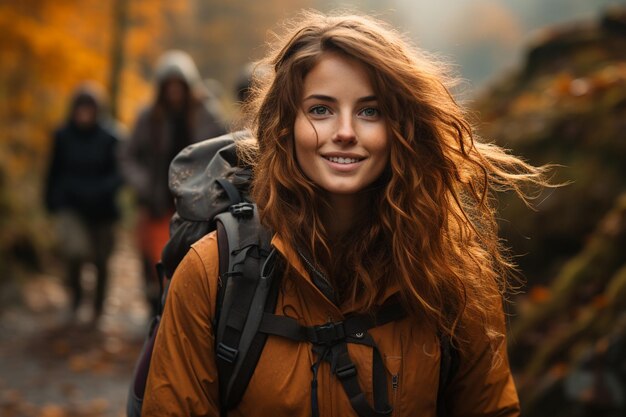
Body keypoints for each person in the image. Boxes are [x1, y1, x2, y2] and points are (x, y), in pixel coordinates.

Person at [142, 12, 552, 416]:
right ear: (287, 126)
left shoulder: (453, 277)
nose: (345, 131)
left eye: (370, 111)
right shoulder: (212, 272)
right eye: (321, 109)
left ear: (401, 129)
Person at [120, 50, 227, 315]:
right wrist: (142, 183)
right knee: (155, 261)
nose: (175, 91)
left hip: (197, 204)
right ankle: (155, 313)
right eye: (169, 86)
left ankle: (182, 313)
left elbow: (226, 152)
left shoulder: (207, 114)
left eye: (179, 85)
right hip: (157, 203)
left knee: (192, 261)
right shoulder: (149, 117)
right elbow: (127, 155)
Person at [44, 83, 123, 324]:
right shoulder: (63, 136)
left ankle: (98, 308)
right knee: (74, 253)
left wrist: (102, 190)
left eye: (89, 109)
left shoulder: (112, 137)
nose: (84, 114)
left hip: (102, 208)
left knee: (101, 260)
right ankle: (76, 301)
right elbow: (53, 170)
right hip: (72, 205)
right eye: (81, 109)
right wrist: (51, 199)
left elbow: (120, 172)